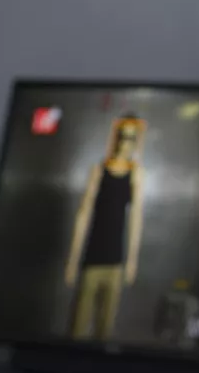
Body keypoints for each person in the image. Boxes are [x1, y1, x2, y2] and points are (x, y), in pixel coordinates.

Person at [63, 114, 147, 341]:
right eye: (122, 136)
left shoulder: (135, 173)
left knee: (105, 329)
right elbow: (83, 214)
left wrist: (131, 260)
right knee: (78, 328)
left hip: (116, 263)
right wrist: (72, 261)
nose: (125, 142)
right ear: (116, 137)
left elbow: (136, 218)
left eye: (131, 137)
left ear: (136, 140)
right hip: (92, 259)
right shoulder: (98, 170)